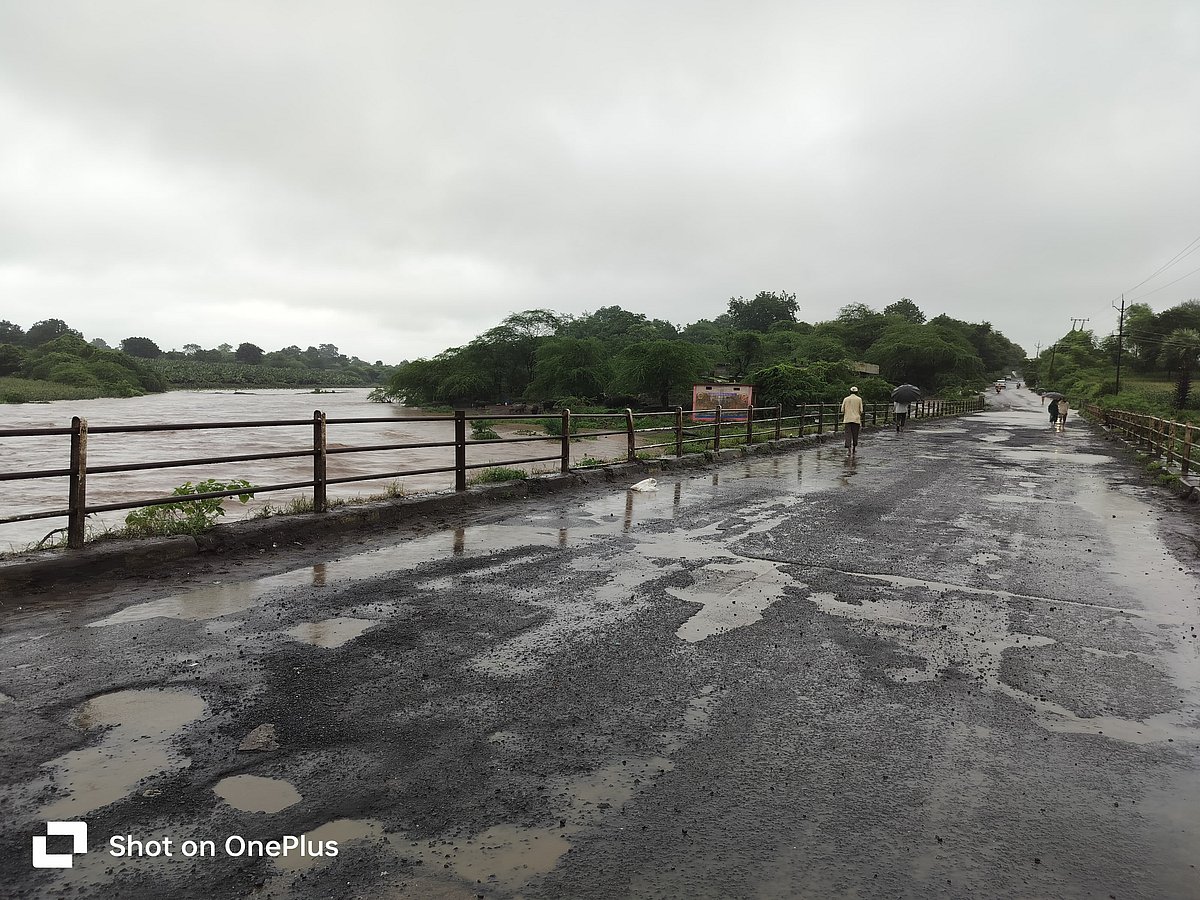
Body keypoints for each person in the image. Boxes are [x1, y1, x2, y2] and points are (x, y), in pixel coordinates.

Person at [841, 386, 864, 453]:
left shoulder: (846, 399)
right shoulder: (859, 399)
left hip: (847, 419)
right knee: (855, 434)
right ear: (857, 392)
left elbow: (842, 410)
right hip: (856, 419)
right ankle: (854, 447)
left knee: (848, 434)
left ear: (850, 392)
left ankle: (848, 448)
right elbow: (861, 410)